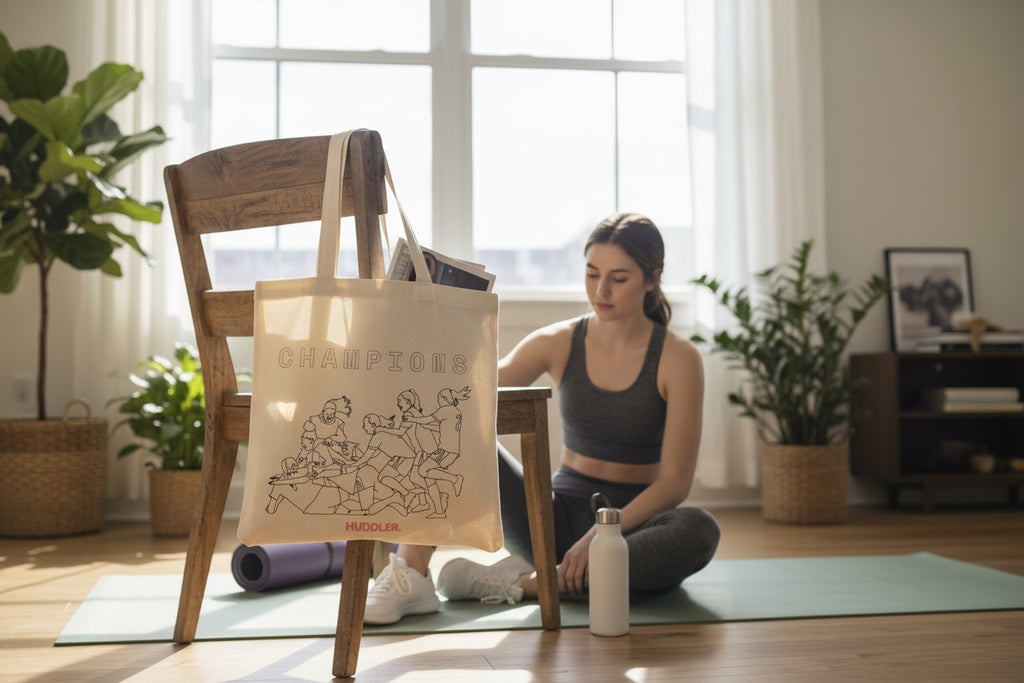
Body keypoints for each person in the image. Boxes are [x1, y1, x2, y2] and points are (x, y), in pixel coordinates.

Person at [363, 212, 721, 625]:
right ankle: (411, 574)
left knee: (700, 529)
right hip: (549, 520)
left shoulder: (679, 359)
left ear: (652, 279)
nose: (600, 290)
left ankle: (525, 584)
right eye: (591, 274)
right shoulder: (560, 340)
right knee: (451, 435)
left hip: (631, 530)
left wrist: (599, 538)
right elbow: (475, 388)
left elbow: (675, 482)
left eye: (618, 279)